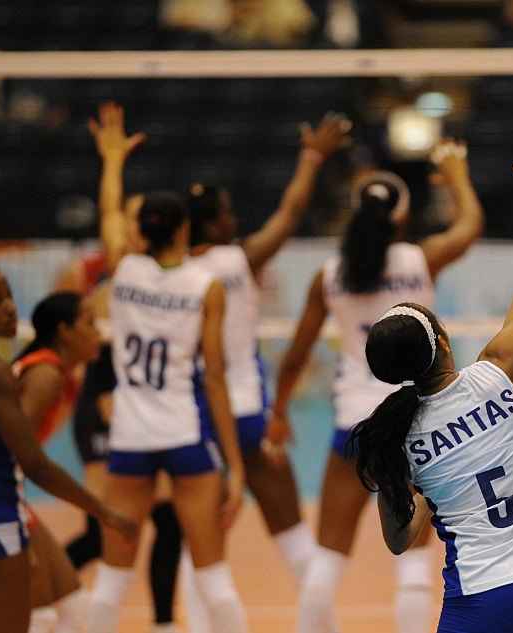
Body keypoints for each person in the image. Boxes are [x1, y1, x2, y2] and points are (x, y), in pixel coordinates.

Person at [350, 126, 513, 633]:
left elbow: (400, 541)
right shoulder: (499, 371)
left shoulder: (400, 439)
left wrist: (403, 477)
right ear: (442, 339)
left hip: (482, 603)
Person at [272, 138, 485, 633]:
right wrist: (455, 175)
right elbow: (470, 226)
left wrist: (279, 411)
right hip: (417, 423)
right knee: (411, 563)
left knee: (328, 558)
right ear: (402, 218)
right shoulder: (418, 260)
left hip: (354, 426)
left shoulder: (330, 275)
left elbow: (296, 355)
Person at [178, 113, 352, 630]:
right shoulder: (241, 259)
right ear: (212, 223)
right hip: (250, 416)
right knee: (296, 538)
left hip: (201, 420)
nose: (233, 219)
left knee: (203, 547)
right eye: (226, 213)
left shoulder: (172, 276)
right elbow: (291, 210)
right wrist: (312, 157)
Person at [0, 255, 137, 633]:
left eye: (9, 296)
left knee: (66, 602)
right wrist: (106, 513)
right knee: (46, 612)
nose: (11, 307)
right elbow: (32, 464)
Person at [85, 192, 248, 633]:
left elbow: (108, 219)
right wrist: (235, 466)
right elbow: (215, 379)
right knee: (214, 576)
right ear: (183, 229)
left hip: (131, 438)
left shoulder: (124, 270)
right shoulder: (205, 286)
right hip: (184, 435)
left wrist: (113, 160)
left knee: (110, 580)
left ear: (142, 231)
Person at [79, 102, 185, 633]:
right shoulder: (121, 281)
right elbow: (109, 224)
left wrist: (114, 162)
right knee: (108, 533)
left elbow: (109, 224)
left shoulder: (155, 279)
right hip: (109, 411)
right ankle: (45, 590)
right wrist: (113, 165)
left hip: (140, 414)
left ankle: (163, 621)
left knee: (165, 524)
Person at [12, 292, 103, 633]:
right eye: (90, 324)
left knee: (74, 606)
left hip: (6, 494)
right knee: (41, 614)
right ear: (65, 331)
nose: (99, 332)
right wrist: (103, 510)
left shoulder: (54, 373)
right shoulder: (45, 374)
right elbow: (7, 451)